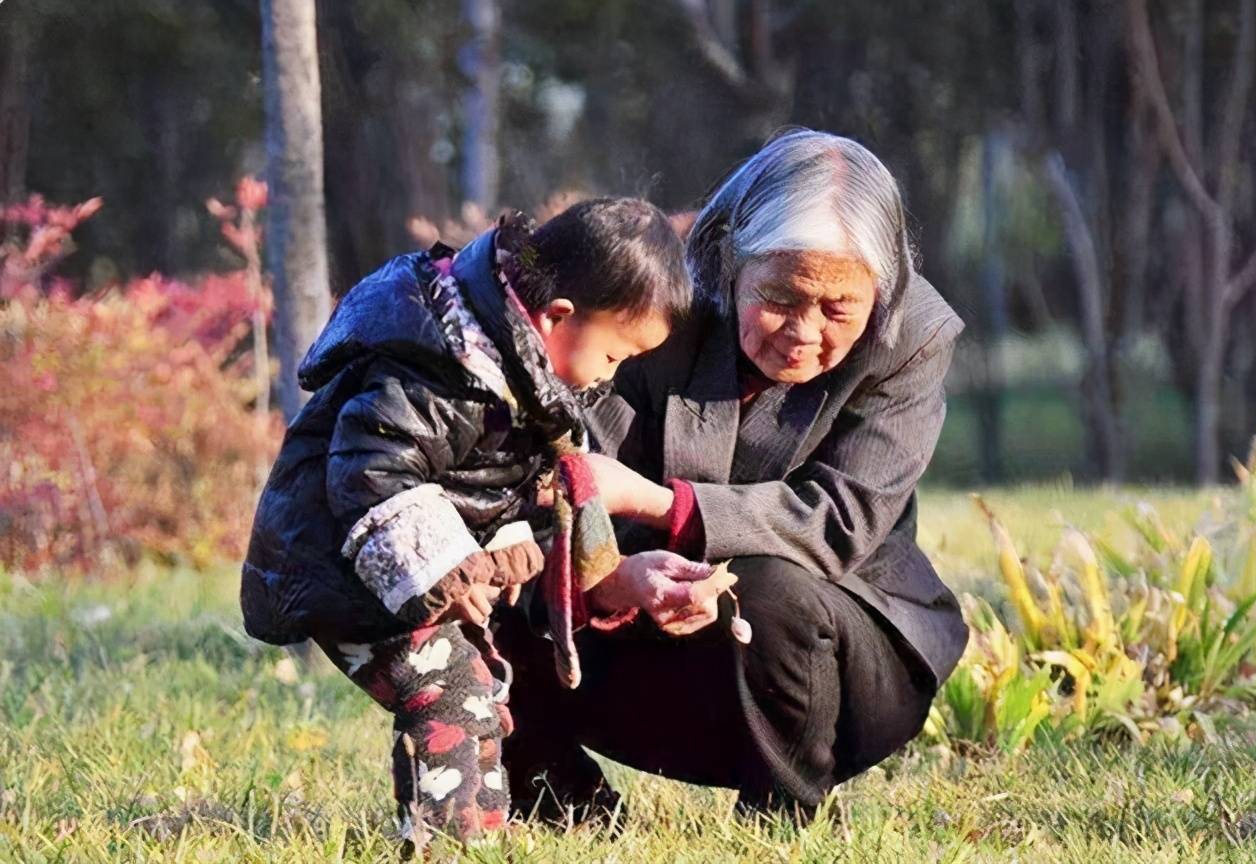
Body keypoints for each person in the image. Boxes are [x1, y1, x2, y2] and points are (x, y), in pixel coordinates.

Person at [496, 129, 970, 819]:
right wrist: (619, 575)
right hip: (628, 636)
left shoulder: (913, 335)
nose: (804, 332)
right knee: (465, 570)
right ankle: (561, 799)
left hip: (832, 665)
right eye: (779, 296)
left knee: (770, 583)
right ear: (727, 262)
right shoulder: (648, 301)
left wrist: (664, 505)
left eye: (838, 308)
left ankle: (782, 814)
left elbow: (840, 521)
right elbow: (558, 481)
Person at [239, 198, 708, 844]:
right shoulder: (444, 369)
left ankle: (485, 827)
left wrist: (514, 537)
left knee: (480, 686)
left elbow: (493, 483)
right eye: (614, 356)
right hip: (352, 572)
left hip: (395, 577)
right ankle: (448, 841)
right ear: (557, 318)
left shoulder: (517, 375)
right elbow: (370, 470)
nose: (611, 376)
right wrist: (448, 563)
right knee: (451, 686)